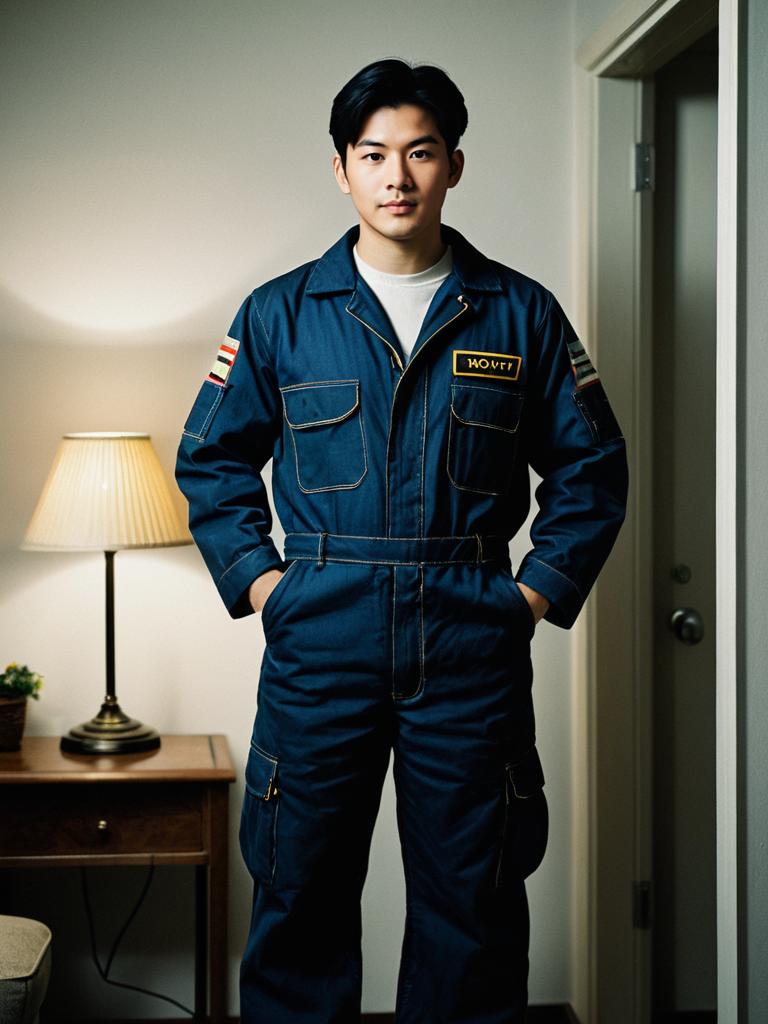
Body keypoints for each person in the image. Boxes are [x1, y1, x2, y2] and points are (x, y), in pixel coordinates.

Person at [175, 57, 628, 1024]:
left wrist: (529, 597)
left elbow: (593, 470)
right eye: (373, 154)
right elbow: (211, 464)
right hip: (321, 639)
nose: (397, 176)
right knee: (298, 900)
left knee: (475, 911)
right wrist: (268, 589)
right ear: (341, 169)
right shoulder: (280, 313)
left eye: (419, 152)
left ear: (453, 166)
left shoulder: (521, 311)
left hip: (471, 644)